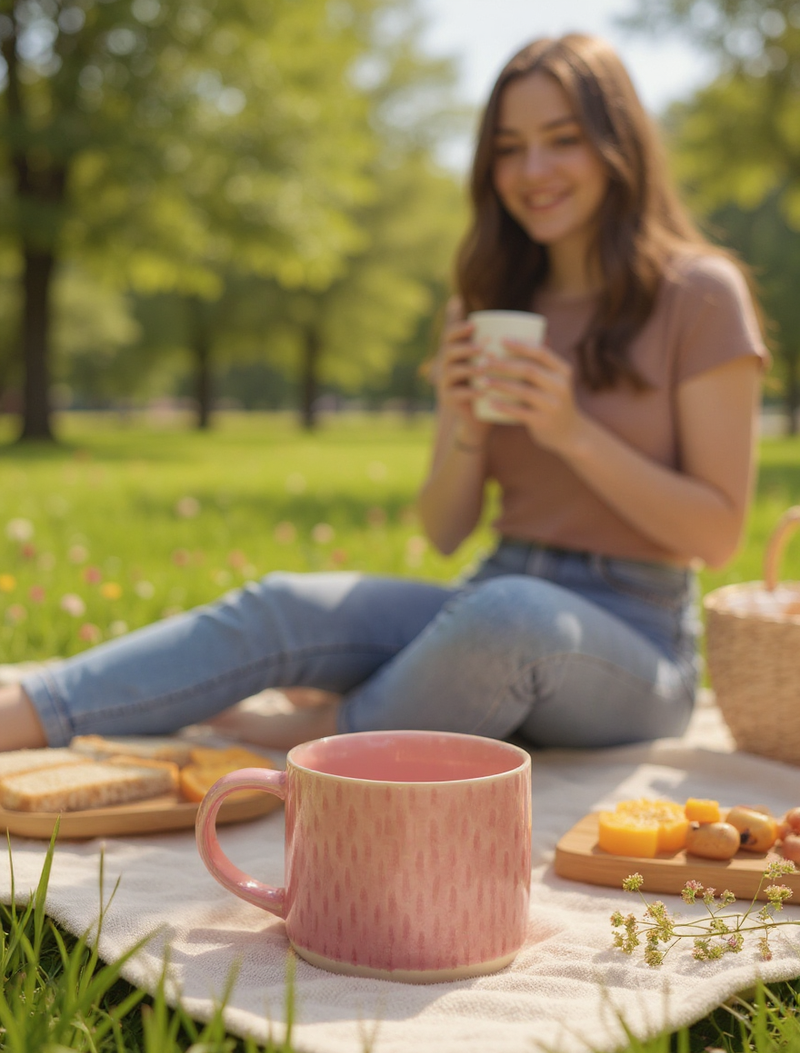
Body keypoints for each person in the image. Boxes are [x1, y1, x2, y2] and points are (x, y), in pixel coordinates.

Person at [0, 33, 767, 755]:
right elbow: (444, 530)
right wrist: (468, 429)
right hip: (492, 592)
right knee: (287, 604)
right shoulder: (485, 305)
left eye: (562, 139)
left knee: (508, 619)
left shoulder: (700, 294)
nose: (533, 170)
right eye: (508, 148)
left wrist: (572, 433)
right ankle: (34, 712)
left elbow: (718, 535)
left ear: (618, 146)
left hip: (637, 641)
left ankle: (325, 731)